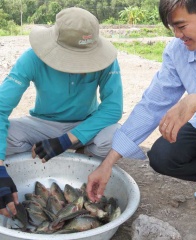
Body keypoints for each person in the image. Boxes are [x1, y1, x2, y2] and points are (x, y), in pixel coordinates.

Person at [86, 1, 196, 239]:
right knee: (163, 155)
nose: (178, 36)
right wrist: (108, 164)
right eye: (172, 28)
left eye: (181, 26)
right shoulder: (178, 51)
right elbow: (151, 106)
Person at [0, 7, 123, 218]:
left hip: (86, 124)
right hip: (42, 124)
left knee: (115, 139)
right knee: (8, 136)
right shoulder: (33, 57)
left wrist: (66, 140)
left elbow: (113, 108)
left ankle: (84, 160)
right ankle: (32, 166)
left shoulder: (107, 60)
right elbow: (1, 107)